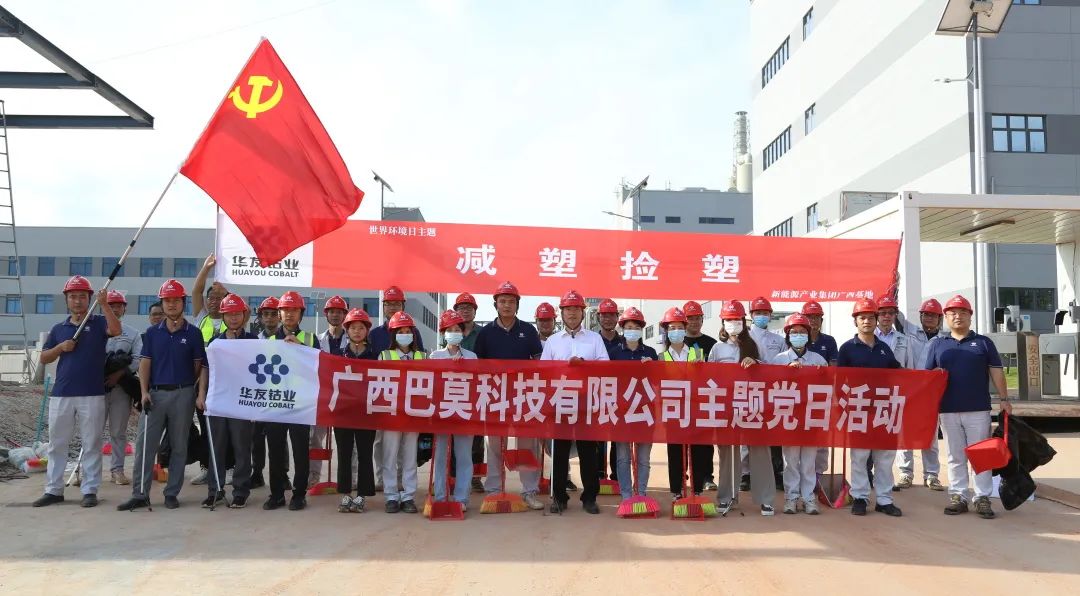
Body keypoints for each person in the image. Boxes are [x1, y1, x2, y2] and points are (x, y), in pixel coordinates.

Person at [118, 279, 207, 511]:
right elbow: (145, 364)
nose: (171, 304)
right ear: (162, 303)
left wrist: (187, 387)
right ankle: (140, 494)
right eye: (167, 301)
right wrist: (144, 392)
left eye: (176, 300)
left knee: (179, 446)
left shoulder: (194, 333)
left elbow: (198, 366)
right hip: (155, 396)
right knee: (145, 446)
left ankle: (171, 493)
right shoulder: (152, 333)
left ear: (183, 303)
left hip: (183, 395)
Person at [33, 277, 121, 508]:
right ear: (66, 300)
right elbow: (44, 357)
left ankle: (90, 490)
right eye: (73, 296)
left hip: (92, 393)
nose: (78, 301)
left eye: (82, 296)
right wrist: (60, 348)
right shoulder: (58, 329)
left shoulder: (99, 322)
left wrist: (104, 304)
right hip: (62, 393)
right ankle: (53, 490)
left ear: (90, 299)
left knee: (91, 443)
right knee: (57, 444)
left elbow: (116, 330)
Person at [923, 295, 1011, 520]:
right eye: (952, 313)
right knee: (955, 455)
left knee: (981, 455)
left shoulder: (983, 343)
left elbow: (996, 371)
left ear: (970, 316)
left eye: (963, 312)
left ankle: (982, 497)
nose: (958, 316)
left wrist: (1004, 398)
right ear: (946, 317)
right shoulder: (938, 345)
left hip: (978, 409)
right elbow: (927, 376)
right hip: (948, 409)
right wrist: (933, 377)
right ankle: (958, 495)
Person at [474, 281, 546, 510]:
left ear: (517, 305)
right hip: (494, 397)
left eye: (511, 302)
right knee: (494, 445)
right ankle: (494, 491)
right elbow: (477, 366)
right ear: (496, 304)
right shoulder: (485, 333)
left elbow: (539, 362)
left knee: (527, 445)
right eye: (503, 301)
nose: (507, 305)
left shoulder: (529, 331)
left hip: (523, 397)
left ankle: (529, 491)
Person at [542, 289, 609, 514]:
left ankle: (589, 497)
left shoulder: (594, 339)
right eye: (568, 309)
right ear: (561, 313)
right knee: (559, 452)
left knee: (588, 452)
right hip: (560, 402)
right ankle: (558, 497)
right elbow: (544, 372)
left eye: (576, 309)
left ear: (583, 312)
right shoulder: (552, 341)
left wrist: (584, 365)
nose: (572, 313)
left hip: (586, 403)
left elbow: (606, 366)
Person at [837, 298, 903, 517]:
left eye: (870, 317)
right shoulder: (847, 348)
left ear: (876, 320)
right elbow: (839, 381)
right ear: (855, 321)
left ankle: (884, 499)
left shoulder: (884, 348)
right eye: (862, 317)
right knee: (859, 457)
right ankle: (860, 497)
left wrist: (927, 377)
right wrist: (842, 406)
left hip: (883, 409)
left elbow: (898, 373)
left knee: (884, 457)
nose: (866, 321)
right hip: (858, 409)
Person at [709, 301, 774, 516]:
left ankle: (766, 499)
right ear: (723, 322)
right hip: (727, 406)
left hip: (752, 404)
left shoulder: (754, 344)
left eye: (737, 320)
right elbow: (709, 377)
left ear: (744, 322)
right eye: (729, 320)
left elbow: (770, 371)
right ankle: (727, 497)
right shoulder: (717, 348)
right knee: (727, 452)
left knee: (759, 449)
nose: (733, 323)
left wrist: (755, 362)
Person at [264, 290, 321, 512]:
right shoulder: (268, 340)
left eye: (294, 310)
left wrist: (301, 348)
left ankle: (299, 495)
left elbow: (319, 367)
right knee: (275, 451)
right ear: (279, 313)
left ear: (301, 314)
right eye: (285, 310)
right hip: (275, 403)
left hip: (300, 404)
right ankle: (277, 494)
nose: (289, 314)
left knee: (300, 451)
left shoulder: (310, 339)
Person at [201, 294, 257, 509]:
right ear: (223, 316)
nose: (233, 318)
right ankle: (214, 490)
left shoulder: (253, 341)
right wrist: (201, 394)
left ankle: (241, 491)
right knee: (216, 447)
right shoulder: (216, 342)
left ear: (244, 315)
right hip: (219, 401)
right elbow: (206, 369)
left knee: (242, 449)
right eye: (229, 314)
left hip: (242, 402)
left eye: (237, 314)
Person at [770, 313, 828, 515]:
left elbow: (829, 386)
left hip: (811, 417)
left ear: (808, 335)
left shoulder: (818, 359)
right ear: (787, 335)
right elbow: (770, 387)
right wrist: (786, 372)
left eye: (802, 332)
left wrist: (821, 374)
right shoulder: (779, 360)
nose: (798, 335)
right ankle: (791, 497)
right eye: (794, 332)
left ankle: (809, 497)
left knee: (809, 461)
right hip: (789, 416)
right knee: (791, 461)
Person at [369, 285, 424, 492]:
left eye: (397, 303)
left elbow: (422, 365)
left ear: (403, 305)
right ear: (383, 306)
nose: (392, 307)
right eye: (389, 303)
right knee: (381, 443)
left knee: (406, 447)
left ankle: (402, 481)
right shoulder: (375, 334)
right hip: (385, 400)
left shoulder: (414, 332)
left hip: (409, 401)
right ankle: (382, 479)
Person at [657, 307, 712, 502]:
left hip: (695, 409)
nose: (676, 331)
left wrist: (701, 368)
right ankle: (677, 490)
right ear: (666, 331)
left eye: (680, 327)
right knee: (675, 451)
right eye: (672, 328)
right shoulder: (661, 357)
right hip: (673, 410)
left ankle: (697, 491)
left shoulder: (697, 353)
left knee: (697, 451)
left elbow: (707, 380)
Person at [895, 298, 947, 491]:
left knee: (930, 435)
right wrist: (894, 287)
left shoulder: (945, 339)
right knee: (904, 434)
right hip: (908, 391)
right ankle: (905, 473)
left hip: (930, 394)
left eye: (933, 315)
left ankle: (931, 475)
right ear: (921, 316)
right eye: (926, 314)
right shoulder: (910, 331)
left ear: (940, 318)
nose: (929, 318)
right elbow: (896, 313)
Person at [429, 310, 478, 512]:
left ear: (463, 332)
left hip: (464, 412)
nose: (454, 333)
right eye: (450, 330)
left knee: (464, 455)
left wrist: (462, 368)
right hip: (442, 412)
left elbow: (476, 384)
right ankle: (440, 496)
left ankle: (461, 498)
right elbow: (431, 384)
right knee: (440, 456)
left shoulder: (472, 357)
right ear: (443, 333)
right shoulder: (435, 356)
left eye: (458, 329)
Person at [378, 311, 427, 514]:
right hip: (391, 413)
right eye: (400, 331)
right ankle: (391, 495)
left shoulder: (422, 356)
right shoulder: (384, 355)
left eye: (408, 331)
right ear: (393, 334)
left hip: (413, 414)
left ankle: (408, 496)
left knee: (409, 457)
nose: (405, 335)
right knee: (389, 456)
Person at [608, 307, 658, 504]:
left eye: (636, 327)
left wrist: (652, 368)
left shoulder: (651, 353)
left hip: (645, 412)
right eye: (629, 327)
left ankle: (641, 493)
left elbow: (658, 382)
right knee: (623, 457)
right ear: (622, 328)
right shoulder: (613, 353)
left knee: (644, 457)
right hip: (621, 412)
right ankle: (626, 496)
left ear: (642, 329)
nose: (632, 331)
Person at [189, 256, 229, 487]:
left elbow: (241, 308)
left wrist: (225, 287)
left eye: (219, 298)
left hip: (224, 382)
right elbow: (196, 291)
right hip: (202, 381)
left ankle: (229, 468)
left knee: (226, 427)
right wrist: (205, 269)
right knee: (205, 426)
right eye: (211, 298)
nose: (214, 302)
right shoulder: (201, 318)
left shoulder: (232, 319)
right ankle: (206, 467)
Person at [336, 308, 377, 513]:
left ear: (367, 331)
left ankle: (362, 495)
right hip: (343, 413)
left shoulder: (375, 356)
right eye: (353, 328)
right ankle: (345, 494)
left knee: (364, 453)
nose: (357, 332)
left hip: (366, 412)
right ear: (347, 330)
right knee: (344, 453)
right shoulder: (338, 356)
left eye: (361, 328)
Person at [747, 296, 787, 490]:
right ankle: (746, 474)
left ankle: (777, 472)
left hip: (773, 391)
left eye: (765, 313)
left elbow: (783, 364)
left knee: (774, 433)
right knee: (749, 433)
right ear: (751, 315)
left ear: (770, 315)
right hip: (749, 391)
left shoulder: (778, 339)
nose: (761, 316)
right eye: (758, 313)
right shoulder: (743, 338)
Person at [103, 289, 142, 487]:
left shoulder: (133, 333)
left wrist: (119, 374)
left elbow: (138, 359)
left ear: (124, 309)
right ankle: (84, 471)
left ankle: (117, 470)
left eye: (118, 306)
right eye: (111, 306)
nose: (115, 309)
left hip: (121, 389)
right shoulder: (95, 330)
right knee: (91, 431)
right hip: (96, 389)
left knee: (118, 431)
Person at [310, 295, 349, 488]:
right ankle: (313, 476)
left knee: (347, 442)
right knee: (315, 439)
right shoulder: (317, 340)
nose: (335, 315)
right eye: (332, 311)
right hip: (322, 397)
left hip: (346, 398)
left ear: (344, 315)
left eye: (339, 312)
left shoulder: (352, 339)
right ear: (326, 314)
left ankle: (349, 478)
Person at [683, 300, 718, 490]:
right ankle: (683, 475)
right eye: (690, 318)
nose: (694, 322)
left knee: (705, 441)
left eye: (698, 318)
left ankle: (706, 477)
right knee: (682, 440)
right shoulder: (677, 343)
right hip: (683, 399)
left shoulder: (712, 344)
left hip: (705, 398)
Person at [452, 292, 485, 492]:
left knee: (477, 436)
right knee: (452, 434)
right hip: (453, 389)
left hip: (477, 389)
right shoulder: (450, 331)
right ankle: (451, 476)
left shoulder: (483, 333)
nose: (465, 311)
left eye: (469, 308)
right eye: (461, 308)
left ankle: (475, 477)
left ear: (475, 311)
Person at [803, 299, 839, 478]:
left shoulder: (829, 341)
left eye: (817, 317)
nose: (813, 321)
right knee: (802, 435)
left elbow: (833, 368)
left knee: (822, 436)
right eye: (810, 317)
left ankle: (818, 474)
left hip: (823, 395)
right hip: (801, 395)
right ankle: (802, 473)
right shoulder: (798, 338)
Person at [250, 296, 282, 490]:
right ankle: (257, 473)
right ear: (261, 317)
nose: (269, 318)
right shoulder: (254, 340)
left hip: (280, 396)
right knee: (257, 438)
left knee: (279, 440)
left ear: (279, 316)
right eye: (266, 314)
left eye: (273, 314)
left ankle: (283, 475)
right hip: (260, 396)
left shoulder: (287, 338)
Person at [595, 298, 622, 482]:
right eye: (604, 315)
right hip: (597, 395)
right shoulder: (593, 340)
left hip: (620, 397)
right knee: (598, 437)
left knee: (617, 437)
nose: (608, 319)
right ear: (598, 317)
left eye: (612, 315)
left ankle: (616, 475)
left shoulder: (625, 342)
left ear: (617, 317)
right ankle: (598, 473)